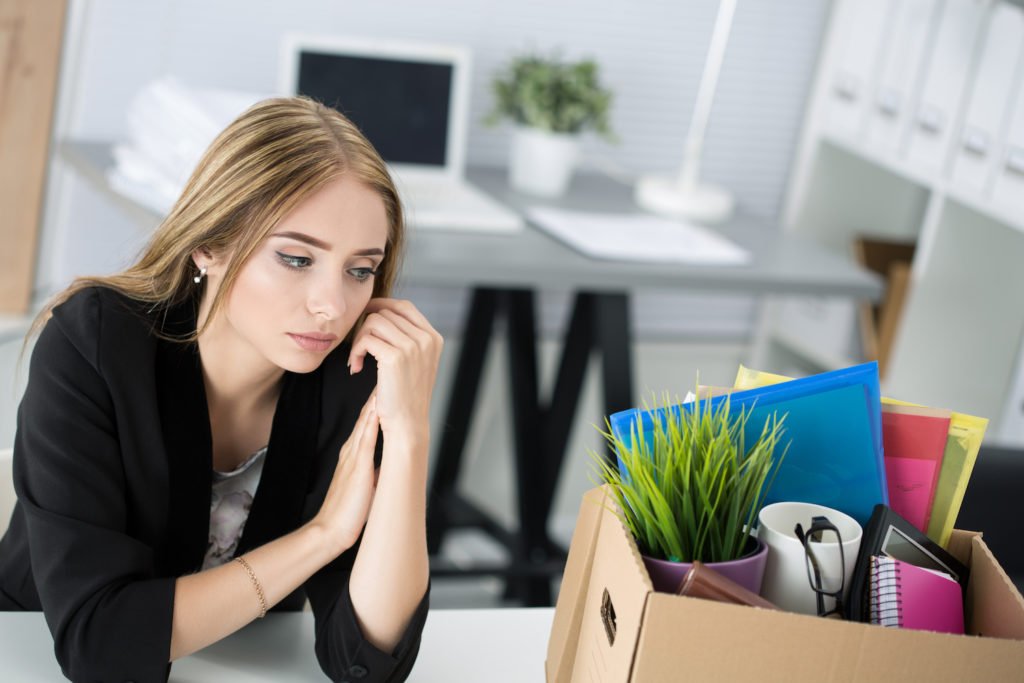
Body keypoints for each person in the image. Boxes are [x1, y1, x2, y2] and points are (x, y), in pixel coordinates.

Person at [0, 96, 442, 682]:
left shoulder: (354, 373)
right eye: (295, 258)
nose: (332, 307)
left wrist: (410, 435)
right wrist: (323, 537)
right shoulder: (96, 346)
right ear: (209, 244)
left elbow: (367, 659)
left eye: (360, 270)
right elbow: (100, 644)